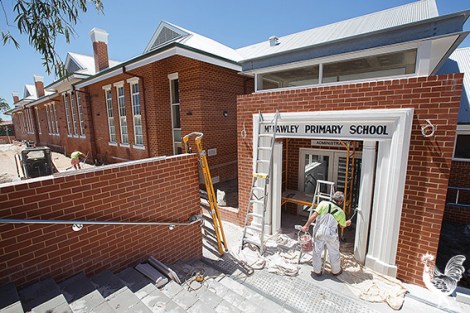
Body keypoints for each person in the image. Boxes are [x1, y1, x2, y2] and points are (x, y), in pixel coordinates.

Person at [301, 191, 351, 276]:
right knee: (334, 252)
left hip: (319, 232)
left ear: (333, 198)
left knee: (317, 251)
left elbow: (313, 216)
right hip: (331, 235)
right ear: (341, 202)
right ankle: (336, 271)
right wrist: (347, 222)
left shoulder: (323, 204)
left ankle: (317, 271)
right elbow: (342, 226)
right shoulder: (341, 212)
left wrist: (306, 226)